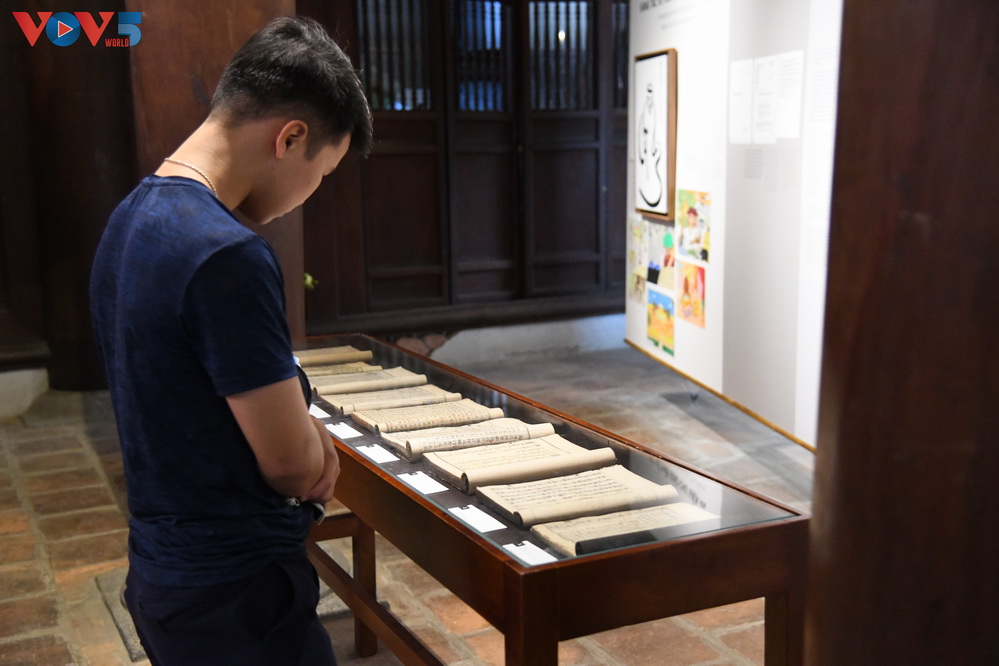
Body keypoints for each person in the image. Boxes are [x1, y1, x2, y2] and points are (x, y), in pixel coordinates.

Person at [89, 16, 372, 665]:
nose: (308, 194)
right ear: (291, 137)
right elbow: (292, 465)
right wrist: (314, 440)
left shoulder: (130, 217)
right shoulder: (225, 253)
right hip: (237, 589)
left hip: (165, 570)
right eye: (322, 173)